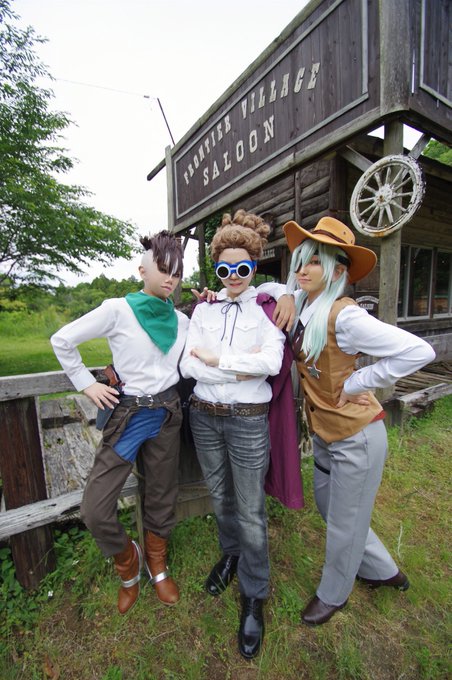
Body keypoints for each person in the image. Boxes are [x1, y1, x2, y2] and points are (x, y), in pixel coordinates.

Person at [263, 216, 436, 625]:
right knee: (330, 508)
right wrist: (285, 293)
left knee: (344, 523)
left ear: (338, 271)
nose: (303, 269)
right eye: (301, 260)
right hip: (326, 432)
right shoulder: (303, 299)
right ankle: (384, 570)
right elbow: (267, 288)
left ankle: (334, 594)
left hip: (358, 436)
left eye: (315, 262)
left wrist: (360, 380)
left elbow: (419, 351)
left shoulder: (345, 316)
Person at [51, 231, 188, 615]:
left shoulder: (181, 320)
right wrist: (87, 383)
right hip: (129, 415)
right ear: (142, 270)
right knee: (95, 509)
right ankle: (128, 562)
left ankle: (157, 565)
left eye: (177, 272)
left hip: (167, 414)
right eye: (163, 270)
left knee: (162, 496)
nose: (170, 279)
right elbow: (62, 340)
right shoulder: (118, 310)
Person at [180, 210, 286, 659]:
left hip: (246, 420)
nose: (234, 276)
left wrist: (218, 361)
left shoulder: (266, 309)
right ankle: (231, 555)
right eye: (225, 269)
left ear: (254, 267)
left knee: (250, 508)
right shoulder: (203, 309)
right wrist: (239, 367)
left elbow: (271, 363)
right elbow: (187, 364)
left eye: (243, 267)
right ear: (217, 270)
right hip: (204, 416)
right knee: (220, 496)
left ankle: (254, 593)